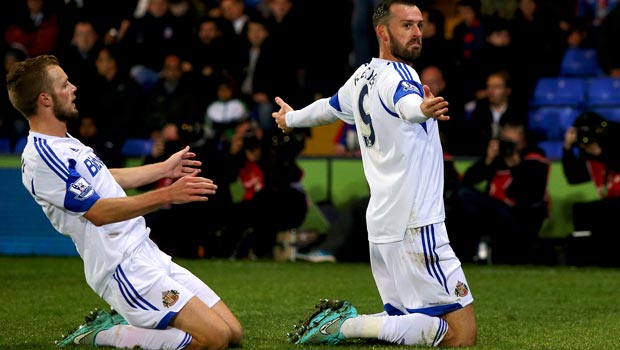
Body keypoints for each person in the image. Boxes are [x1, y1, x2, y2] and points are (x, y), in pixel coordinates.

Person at [272, 0, 476, 347]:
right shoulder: (402, 78)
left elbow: (329, 108)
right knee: (460, 335)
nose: (416, 33)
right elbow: (405, 103)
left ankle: (347, 326)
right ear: (382, 32)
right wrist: (421, 108)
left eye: (419, 25)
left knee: (406, 320)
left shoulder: (363, 75)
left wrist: (291, 119)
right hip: (416, 224)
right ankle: (346, 326)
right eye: (406, 25)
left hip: (382, 226)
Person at [6, 55, 242, 349]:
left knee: (233, 333)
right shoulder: (42, 156)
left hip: (145, 251)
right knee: (214, 340)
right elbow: (98, 212)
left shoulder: (65, 141)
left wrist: (164, 169)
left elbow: (105, 177)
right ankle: (106, 335)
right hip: (121, 268)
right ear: (45, 99)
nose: (74, 88)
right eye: (65, 84)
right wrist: (168, 194)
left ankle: (122, 326)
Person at [451, 120, 550, 264]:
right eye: (505, 142)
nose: (508, 147)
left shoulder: (534, 159)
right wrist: (488, 160)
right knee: (458, 193)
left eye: (512, 143)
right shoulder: (497, 159)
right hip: (493, 211)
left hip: (520, 214)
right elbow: (468, 179)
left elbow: (529, 195)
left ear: (522, 140)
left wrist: (516, 166)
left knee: (468, 197)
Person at [561, 111, 620, 266]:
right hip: (610, 203)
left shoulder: (615, 141)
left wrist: (600, 153)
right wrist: (567, 149)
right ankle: (586, 258)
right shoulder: (590, 158)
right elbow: (573, 177)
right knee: (582, 210)